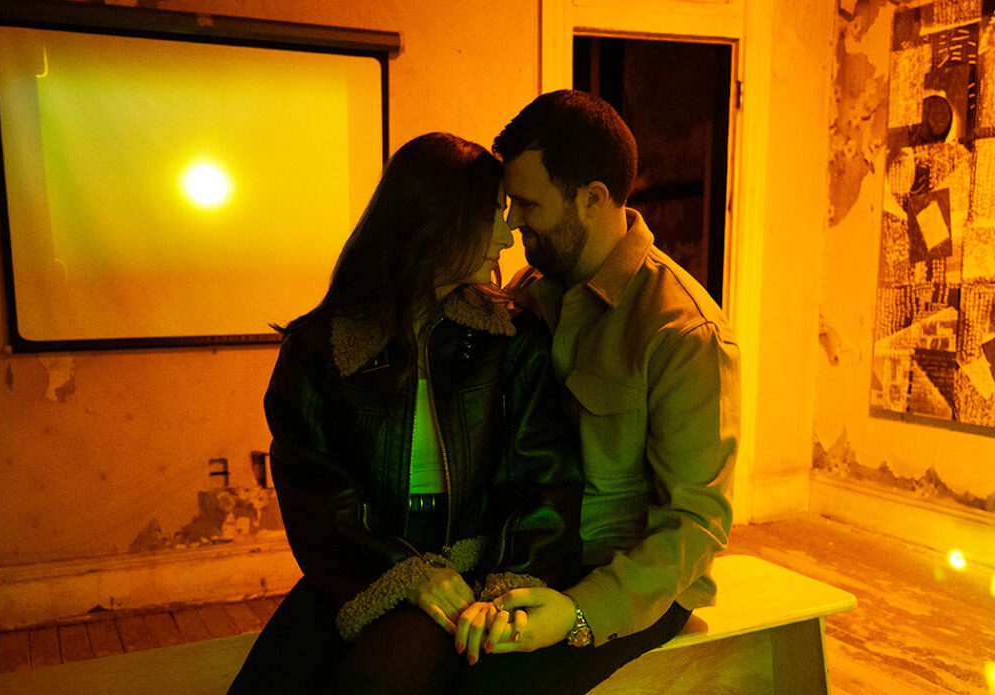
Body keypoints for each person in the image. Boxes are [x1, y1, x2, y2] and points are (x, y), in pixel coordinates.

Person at [226, 132, 582, 695]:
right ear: (438, 223)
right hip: (363, 563)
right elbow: (314, 489)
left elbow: (545, 484)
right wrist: (405, 573)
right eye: (491, 215)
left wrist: (504, 592)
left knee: (374, 683)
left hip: (472, 566)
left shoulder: (511, 340)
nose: (507, 233)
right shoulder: (320, 346)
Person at [455, 90, 740, 694]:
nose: (509, 224)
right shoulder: (533, 288)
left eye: (526, 205)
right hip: (537, 555)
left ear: (591, 199)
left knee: (491, 684)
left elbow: (695, 524)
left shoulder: (684, 331)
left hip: (630, 583)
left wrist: (580, 614)